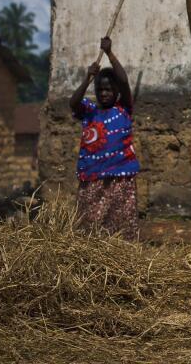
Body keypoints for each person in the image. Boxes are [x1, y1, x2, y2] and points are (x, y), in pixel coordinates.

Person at [69, 36, 140, 240]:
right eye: (100, 90)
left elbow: (125, 81)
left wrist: (109, 53)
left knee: (121, 222)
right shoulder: (89, 110)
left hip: (121, 177)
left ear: (116, 92)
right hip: (92, 178)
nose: (104, 93)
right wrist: (87, 78)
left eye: (109, 89)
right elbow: (73, 103)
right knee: (90, 223)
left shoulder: (124, 108)